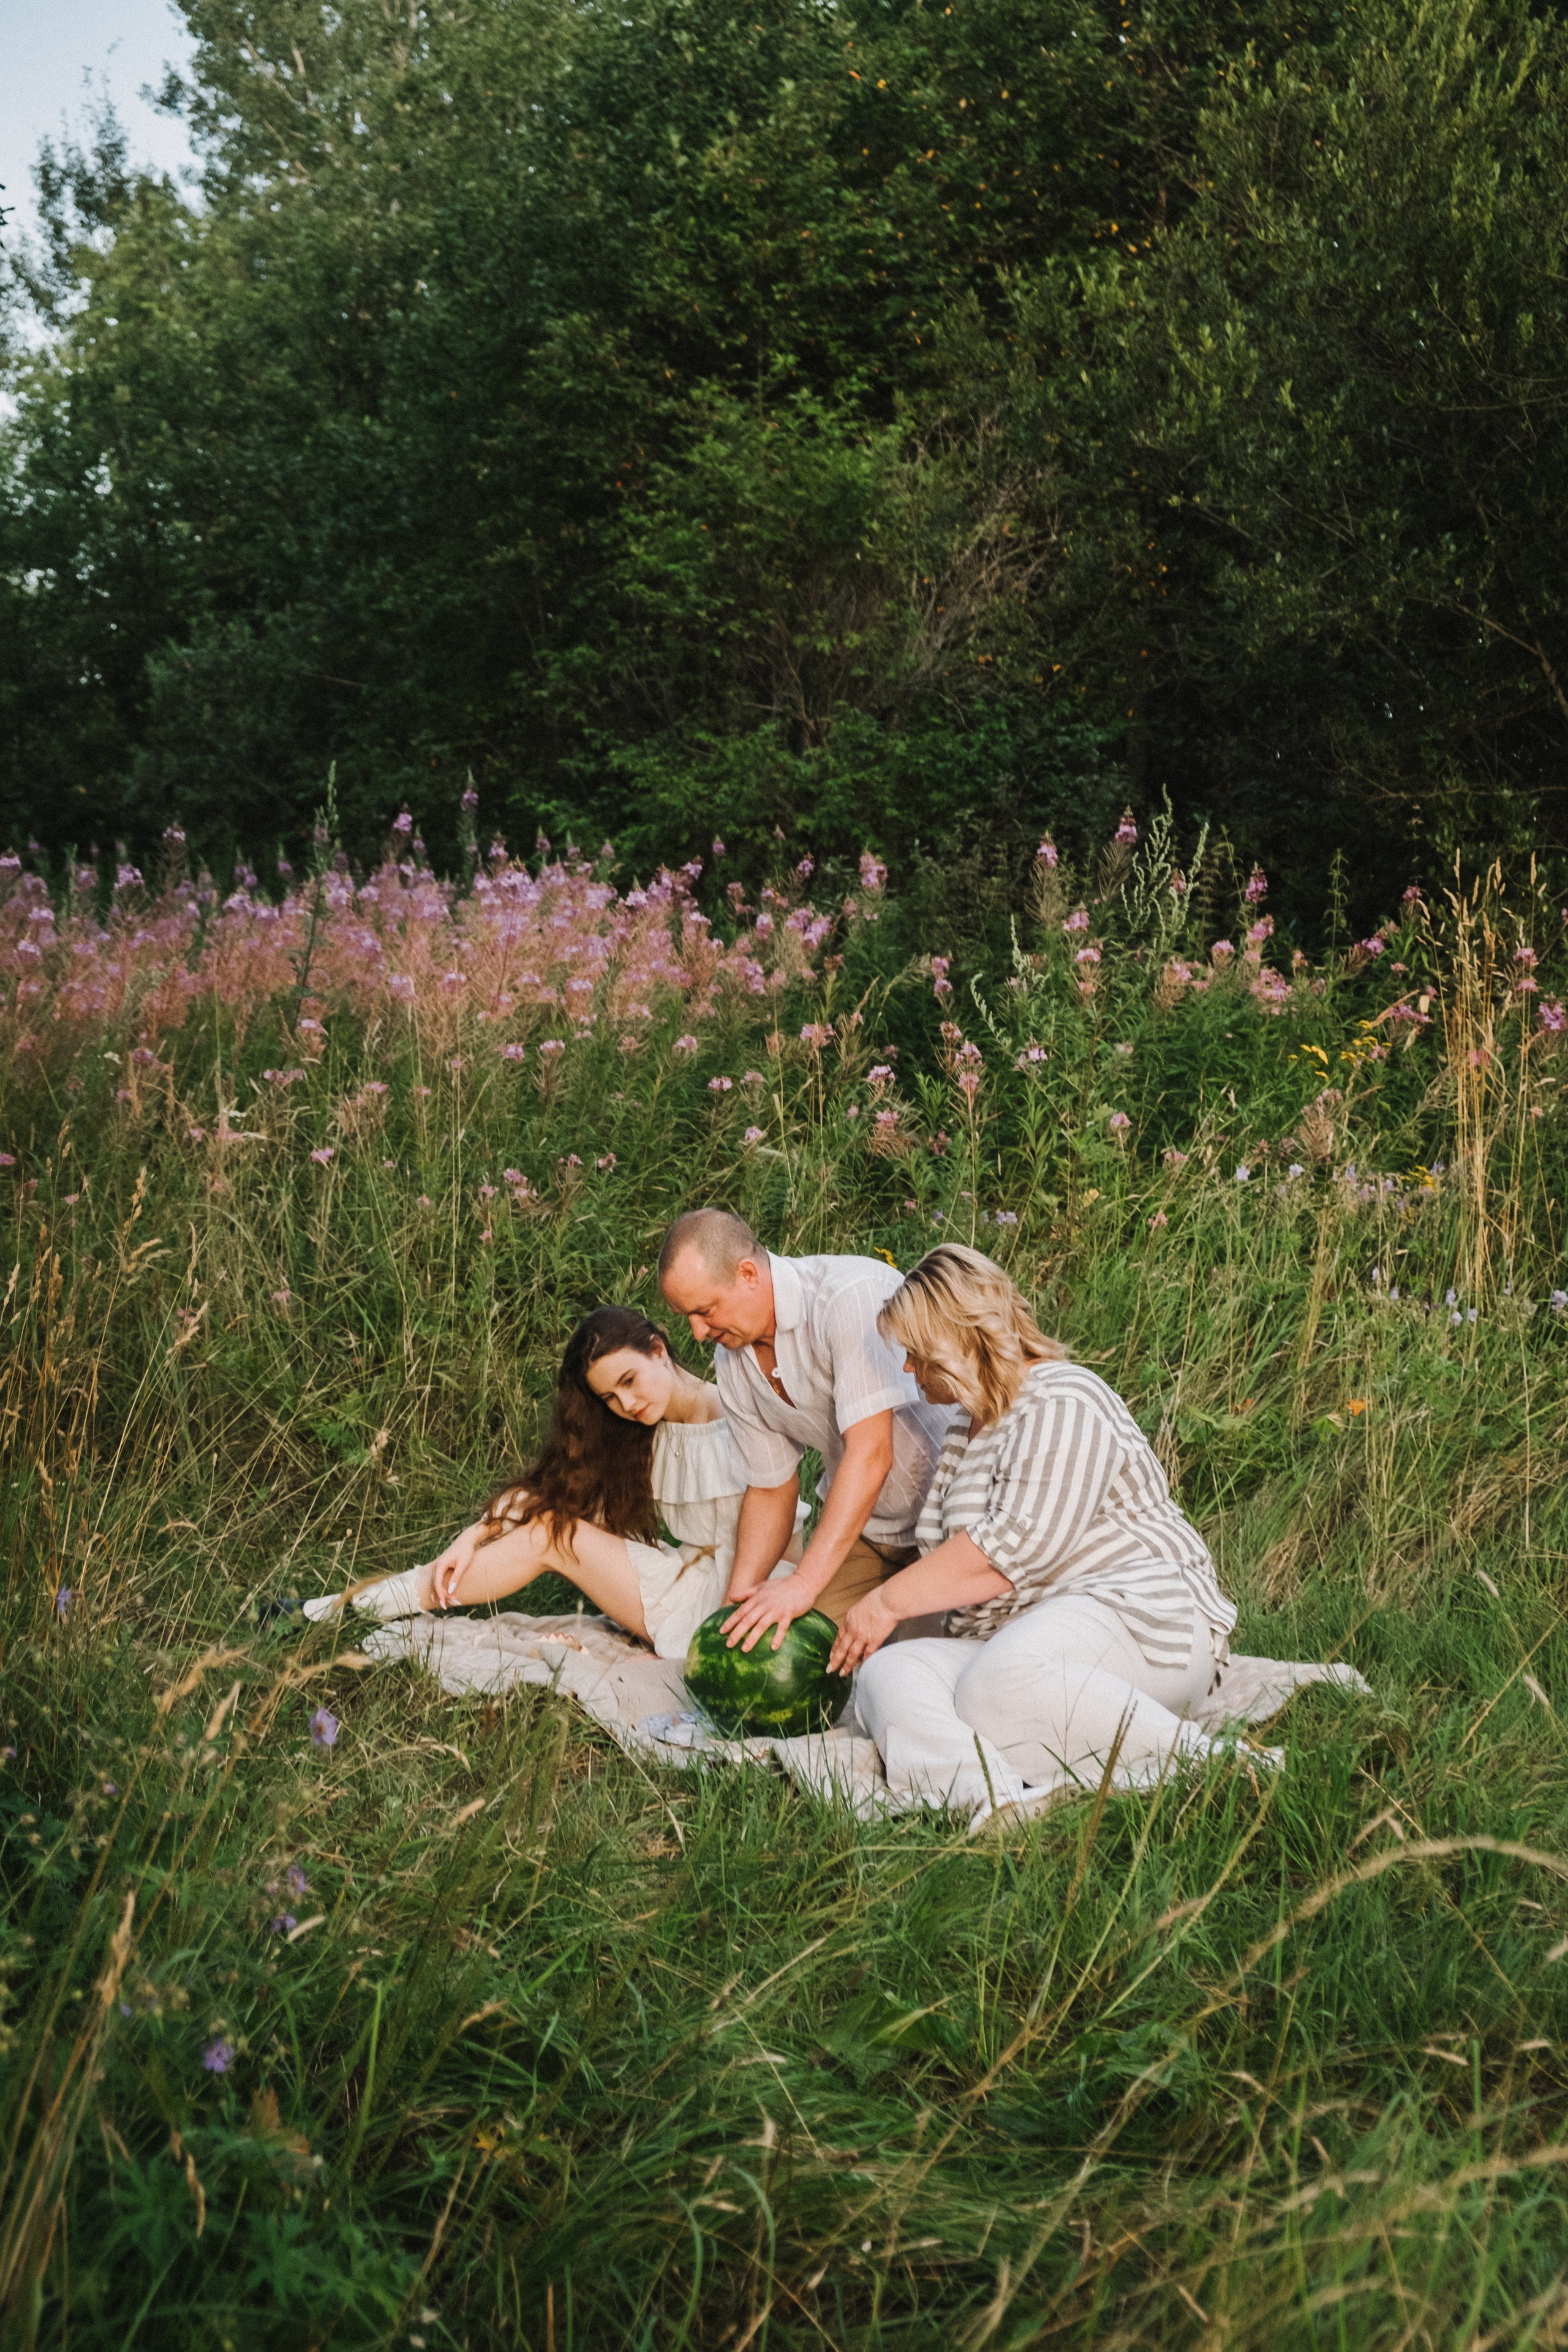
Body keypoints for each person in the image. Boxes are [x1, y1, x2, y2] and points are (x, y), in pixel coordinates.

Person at [829, 1243, 1264, 1820]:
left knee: (996, 1686)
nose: (908, 1369)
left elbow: (1011, 1551)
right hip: (1023, 1639)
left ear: (953, 1343)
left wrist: (885, 1602)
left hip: (1136, 1615)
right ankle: (989, 1798)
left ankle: (1212, 1767)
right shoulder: (968, 1427)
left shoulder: (1065, 1396)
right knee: (891, 1673)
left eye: (915, 1353)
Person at [301, 1305, 799, 1657]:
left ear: (659, 1350)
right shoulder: (642, 1431)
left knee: (550, 1535)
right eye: (609, 1398)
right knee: (550, 1522)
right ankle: (350, 1606)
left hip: (744, 1604)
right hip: (693, 1583)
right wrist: (471, 1535)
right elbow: (549, 1493)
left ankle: (347, 1610)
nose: (625, 1405)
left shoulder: (738, 1414)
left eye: (628, 1381)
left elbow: (790, 1537)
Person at [657, 1208, 957, 1649]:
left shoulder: (849, 1299)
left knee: (910, 1664)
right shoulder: (733, 1360)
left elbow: (871, 1454)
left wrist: (804, 1582)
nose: (698, 1333)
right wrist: (733, 1607)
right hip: (867, 1533)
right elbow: (771, 1489)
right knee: (795, 1652)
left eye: (705, 1311)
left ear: (747, 1275)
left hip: (947, 1525)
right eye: (687, 1317)